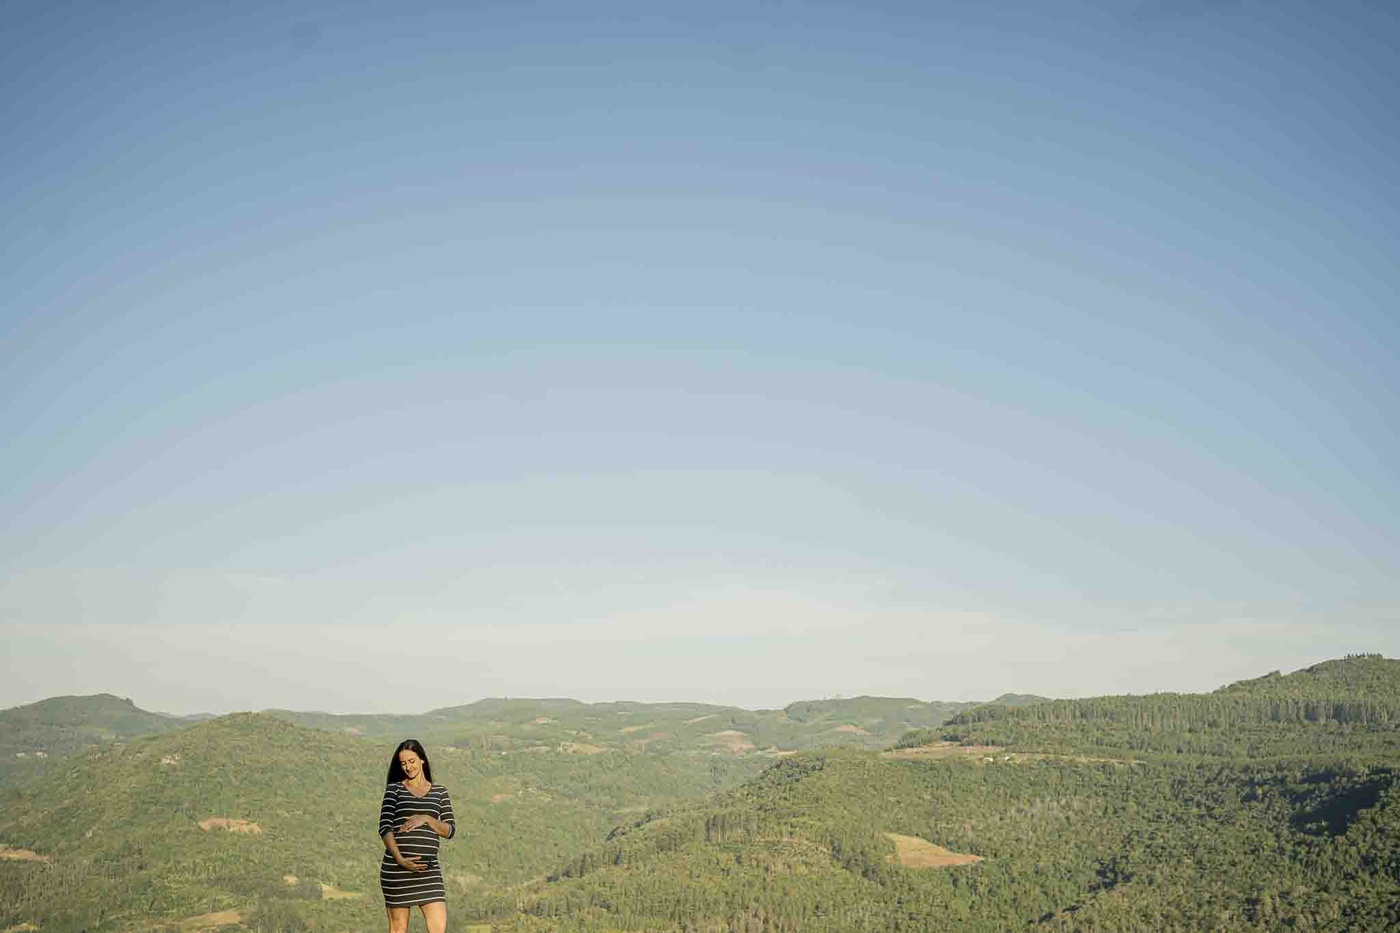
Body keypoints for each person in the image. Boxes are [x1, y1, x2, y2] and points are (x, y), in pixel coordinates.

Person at [378, 739, 457, 933]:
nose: (408, 767)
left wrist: (427, 818)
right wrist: (400, 860)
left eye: (411, 761)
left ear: (422, 760)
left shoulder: (440, 792)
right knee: (399, 928)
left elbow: (449, 830)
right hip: (398, 869)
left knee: (438, 928)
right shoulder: (394, 790)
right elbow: (384, 828)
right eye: (403, 763)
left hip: (429, 871)